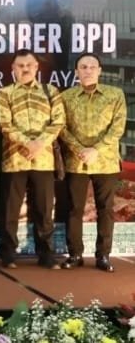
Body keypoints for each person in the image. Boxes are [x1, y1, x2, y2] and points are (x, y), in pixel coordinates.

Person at [0, 49, 65, 269]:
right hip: (14, 159)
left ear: (36, 67)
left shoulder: (50, 91)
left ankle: (46, 254)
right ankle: (8, 254)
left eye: (29, 65)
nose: (25, 69)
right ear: (13, 69)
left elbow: (58, 121)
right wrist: (28, 143)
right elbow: (4, 124)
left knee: (44, 210)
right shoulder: (5, 93)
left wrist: (39, 143)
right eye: (20, 65)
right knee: (10, 210)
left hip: (43, 159)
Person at [59, 53, 126, 272]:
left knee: (105, 208)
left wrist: (95, 149)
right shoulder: (66, 97)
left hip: (105, 161)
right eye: (83, 67)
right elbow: (61, 127)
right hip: (76, 161)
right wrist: (80, 149)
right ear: (76, 71)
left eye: (92, 66)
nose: (88, 70)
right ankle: (75, 254)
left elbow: (117, 128)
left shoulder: (115, 94)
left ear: (99, 70)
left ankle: (103, 255)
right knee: (74, 209)